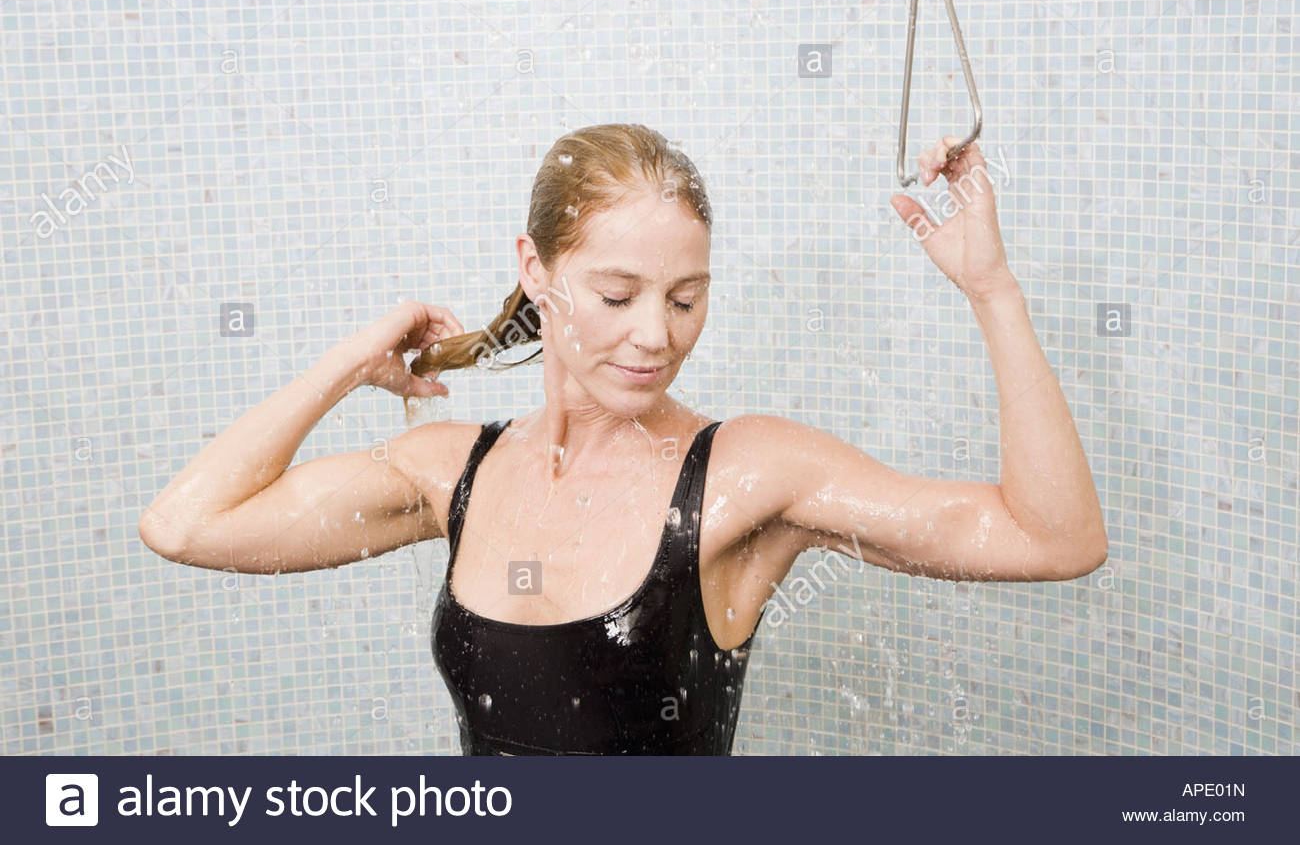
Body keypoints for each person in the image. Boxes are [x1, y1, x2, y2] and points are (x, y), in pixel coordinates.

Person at [139, 123, 1107, 755]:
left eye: (687, 299)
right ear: (536, 268)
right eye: (616, 294)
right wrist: (353, 358)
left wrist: (993, 292)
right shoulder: (453, 473)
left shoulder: (743, 475)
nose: (655, 335)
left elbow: (1051, 537)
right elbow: (188, 524)